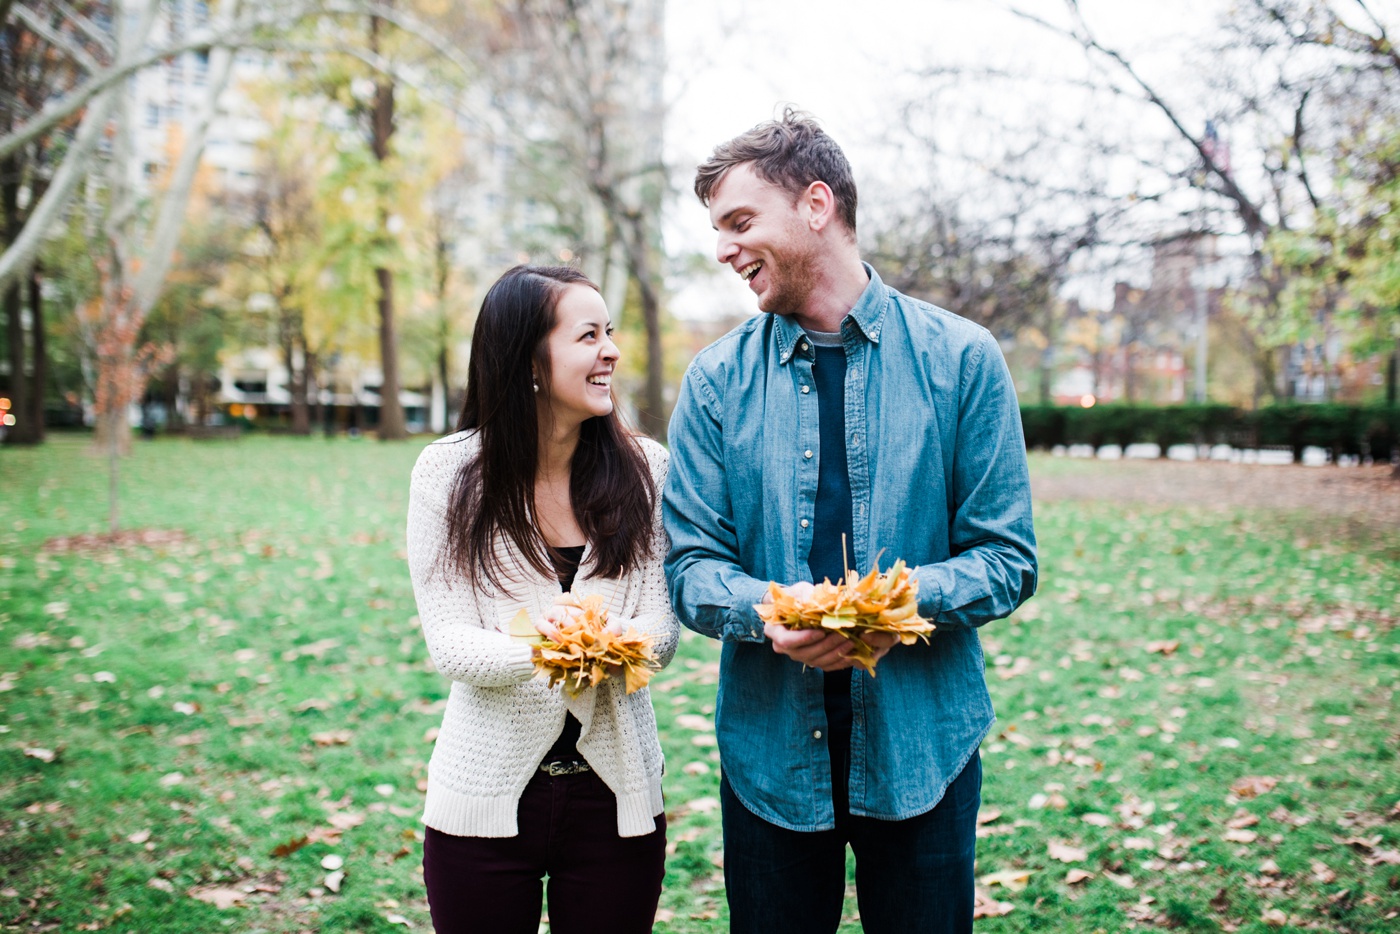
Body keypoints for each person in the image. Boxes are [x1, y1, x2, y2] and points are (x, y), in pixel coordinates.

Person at [662, 109, 1038, 933]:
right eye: (719, 229)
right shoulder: (715, 382)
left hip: (923, 748)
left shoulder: (963, 358)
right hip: (770, 755)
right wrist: (773, 613)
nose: (724, 248)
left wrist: (890, 604)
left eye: (739, 221)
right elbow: (689, 567)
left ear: (817, 205)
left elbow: (1008, 558)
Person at [407, 265, 676, 934]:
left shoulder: (648, 469)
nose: (611, 350)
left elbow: (661, 631)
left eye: (609, 332)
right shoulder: (449, 472)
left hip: (617, 798)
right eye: (589, 335)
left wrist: (600, 641)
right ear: (531, 359)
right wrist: (549, 645)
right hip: (484, 794)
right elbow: (450, 642)